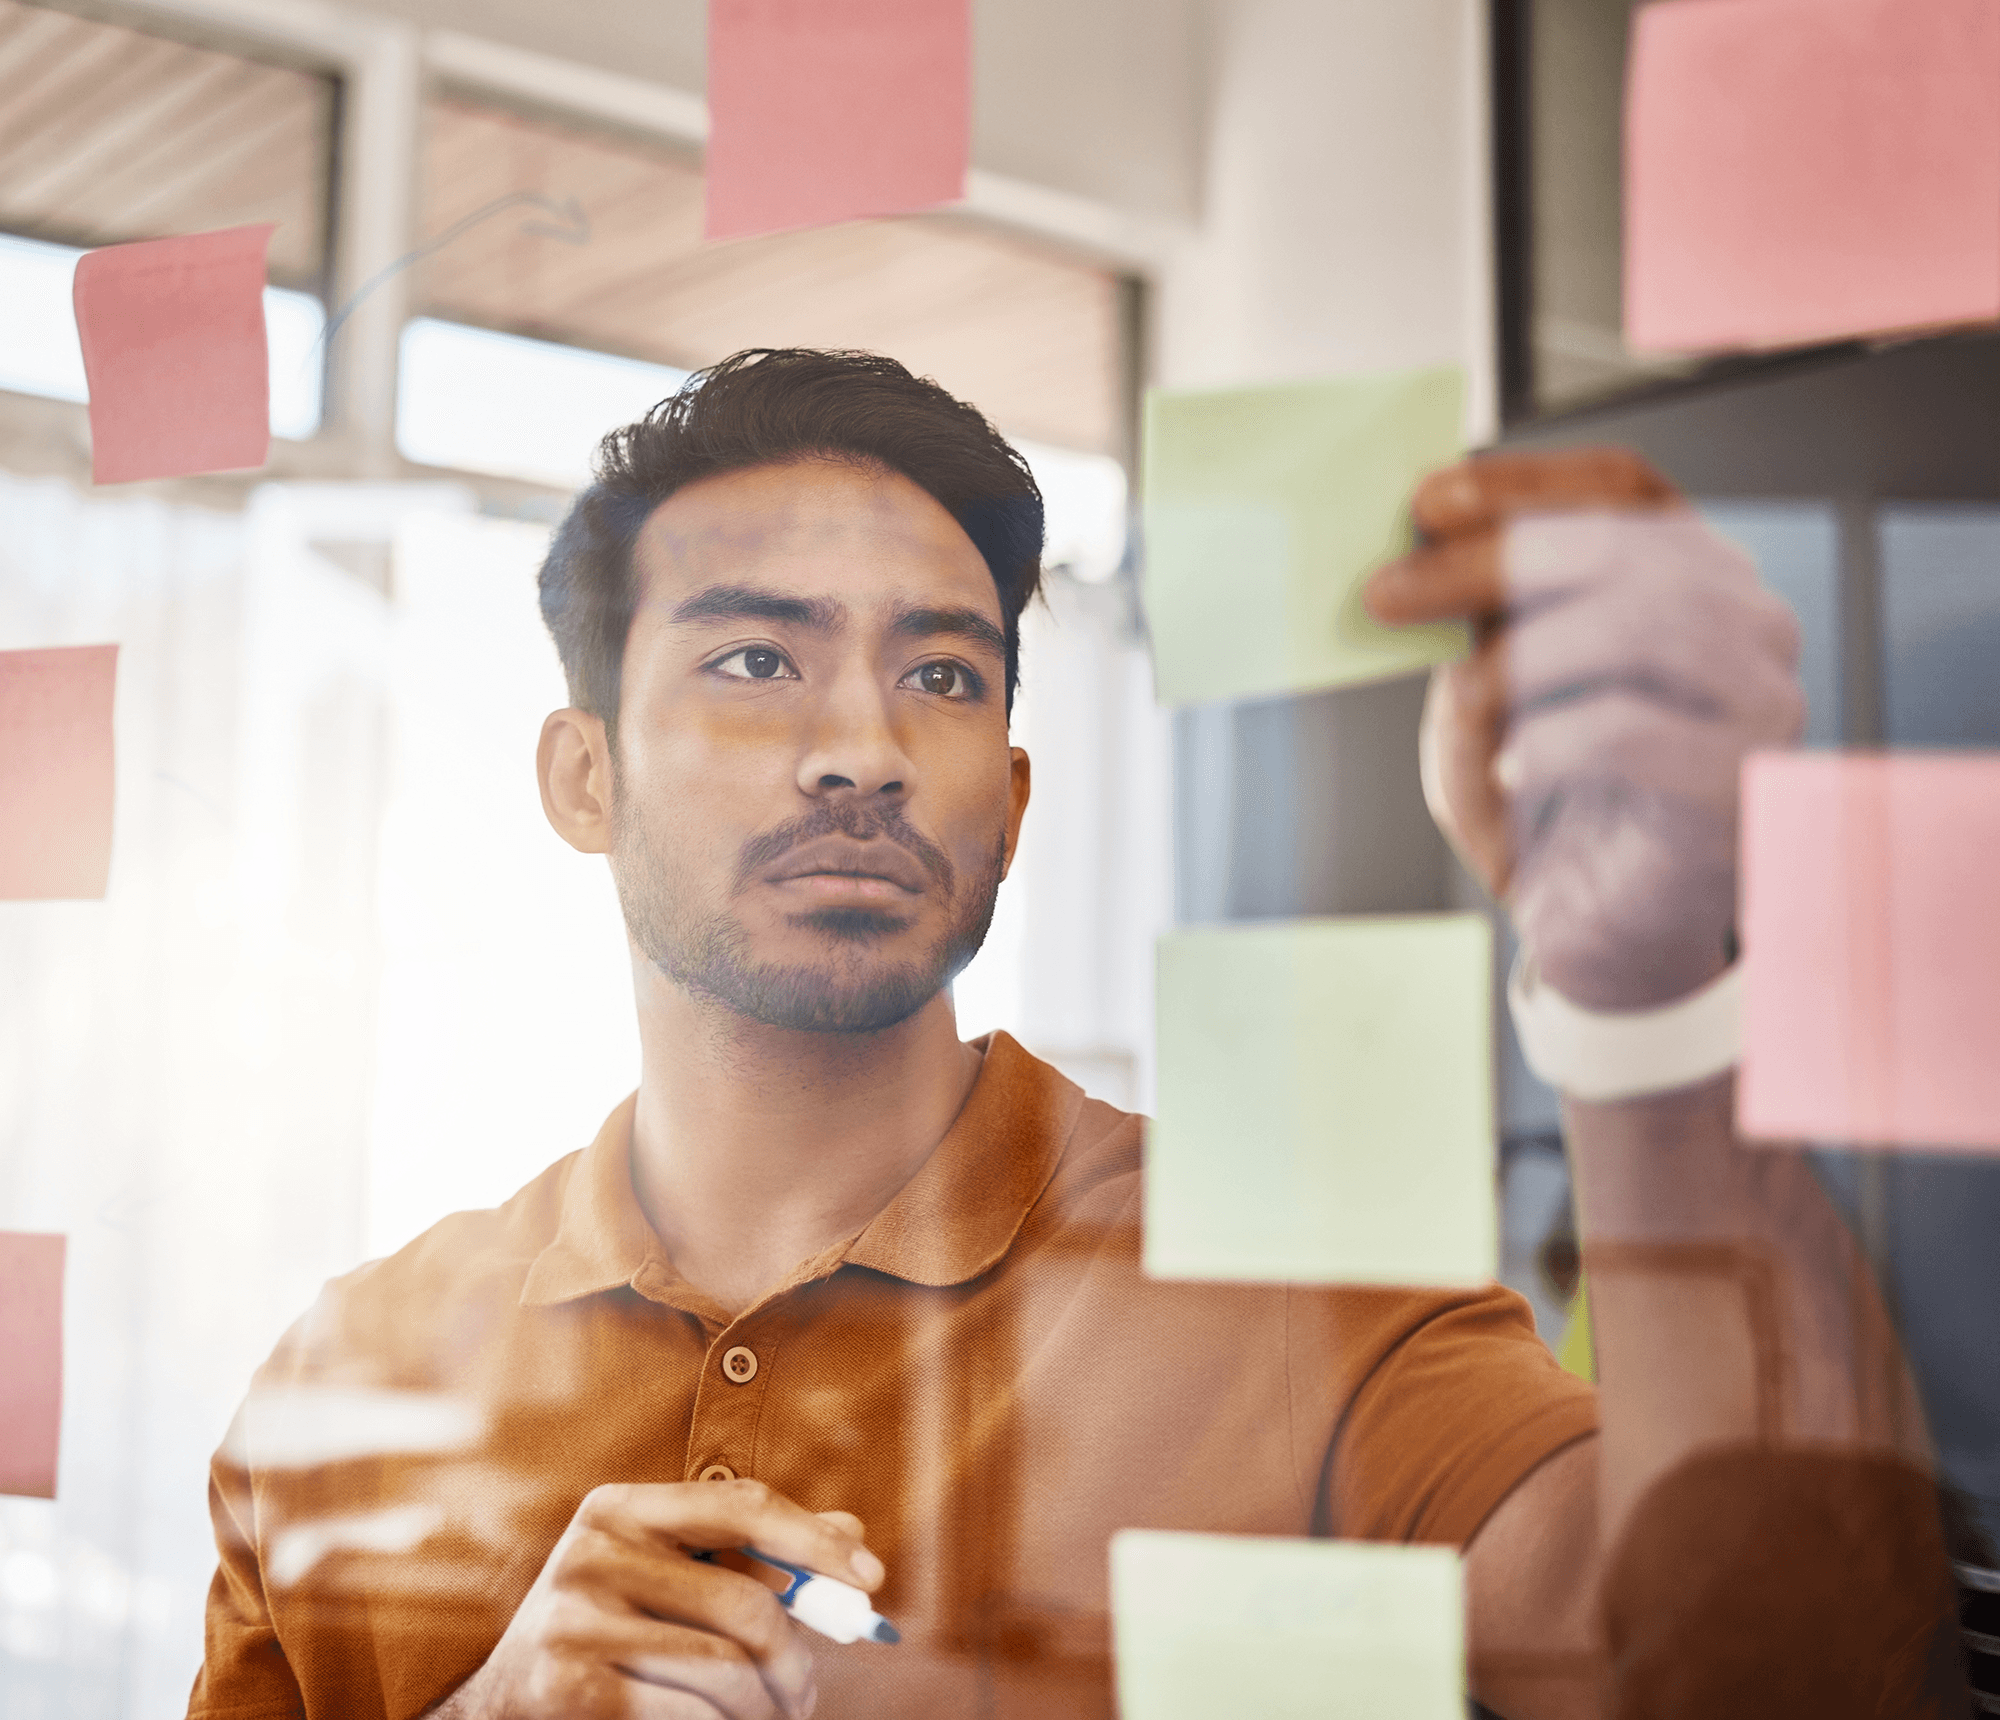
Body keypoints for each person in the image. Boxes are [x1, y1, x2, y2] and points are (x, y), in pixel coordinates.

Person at [188, 349, 1963, 1720]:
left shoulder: (1288, 1293)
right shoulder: (340, 1391)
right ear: (584, 779)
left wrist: (1653, 999)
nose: (864, 748)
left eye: (944, 675)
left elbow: (1790, 1687)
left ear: (1013, 799)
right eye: (755, 661)